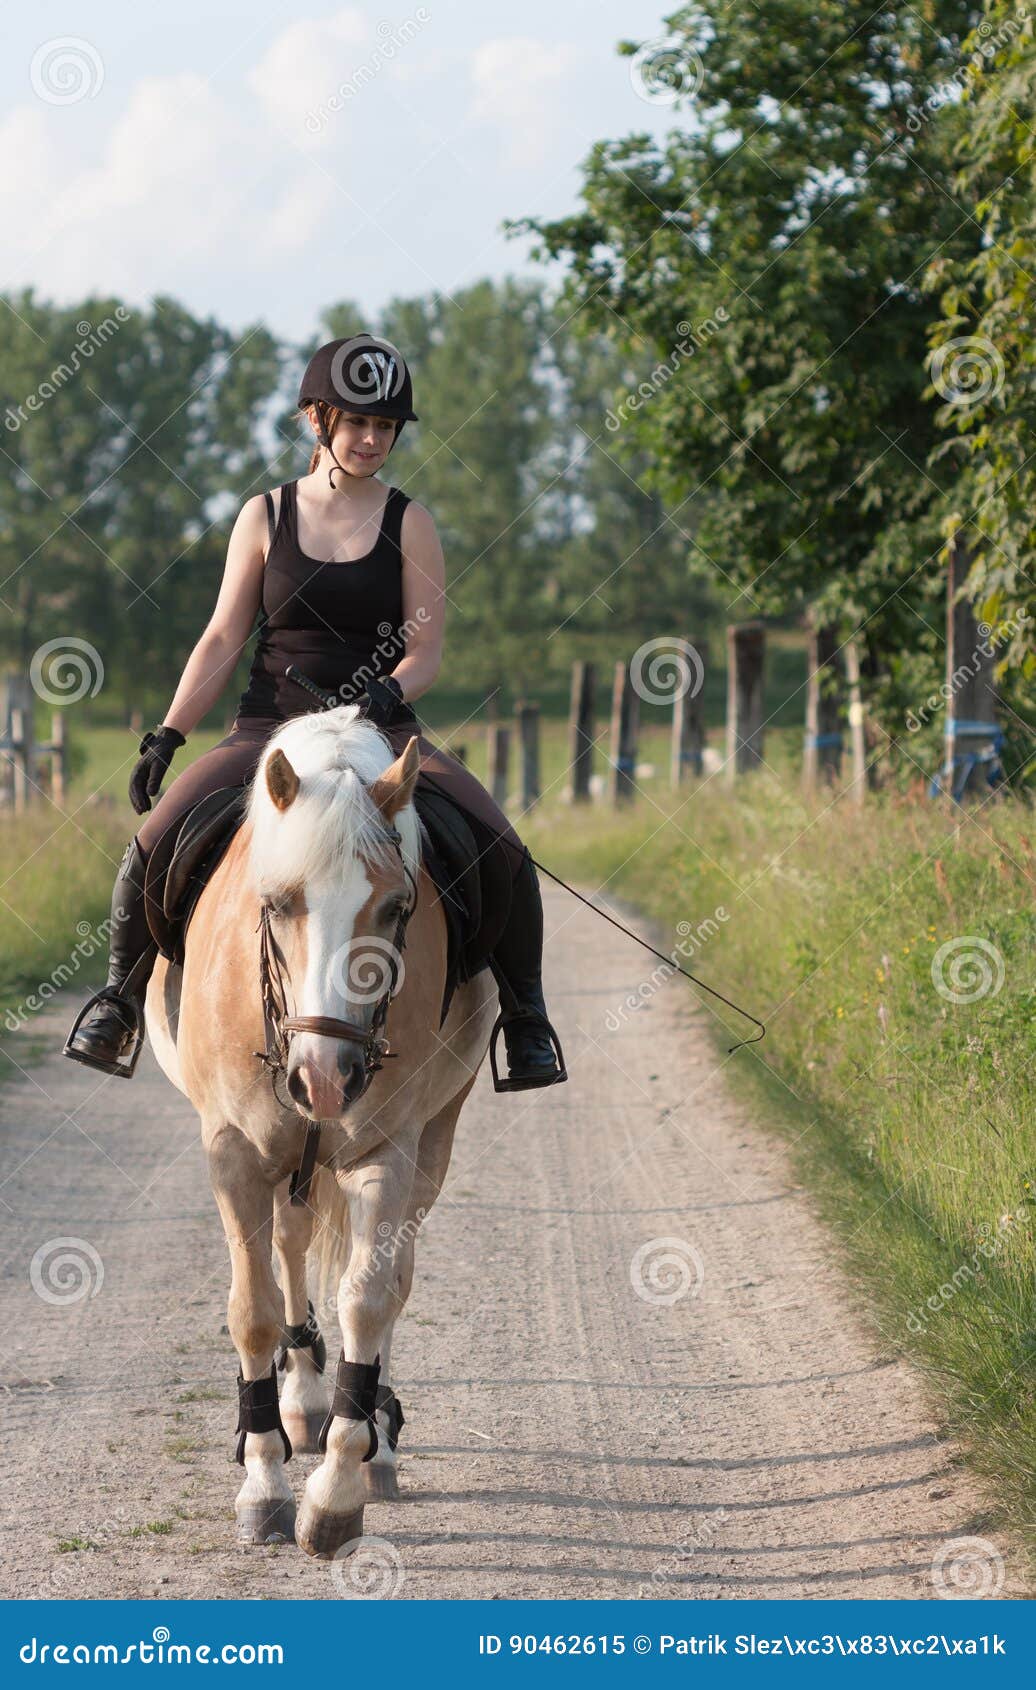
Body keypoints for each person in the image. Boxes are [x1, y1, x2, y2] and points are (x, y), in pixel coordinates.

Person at [63, 333, 566, 1093]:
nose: (372, 440)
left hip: (382, 730)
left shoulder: (410, 522)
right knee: (154, 838)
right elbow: (224, 636)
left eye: (386, 428)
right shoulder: (264, 516)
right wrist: (167, 734)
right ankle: (119, 1003)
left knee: (500, 840)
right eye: (357, 423)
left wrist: (387, 694)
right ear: (317, 420)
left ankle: (525, 1019)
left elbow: (425, 650)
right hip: (272, 730)